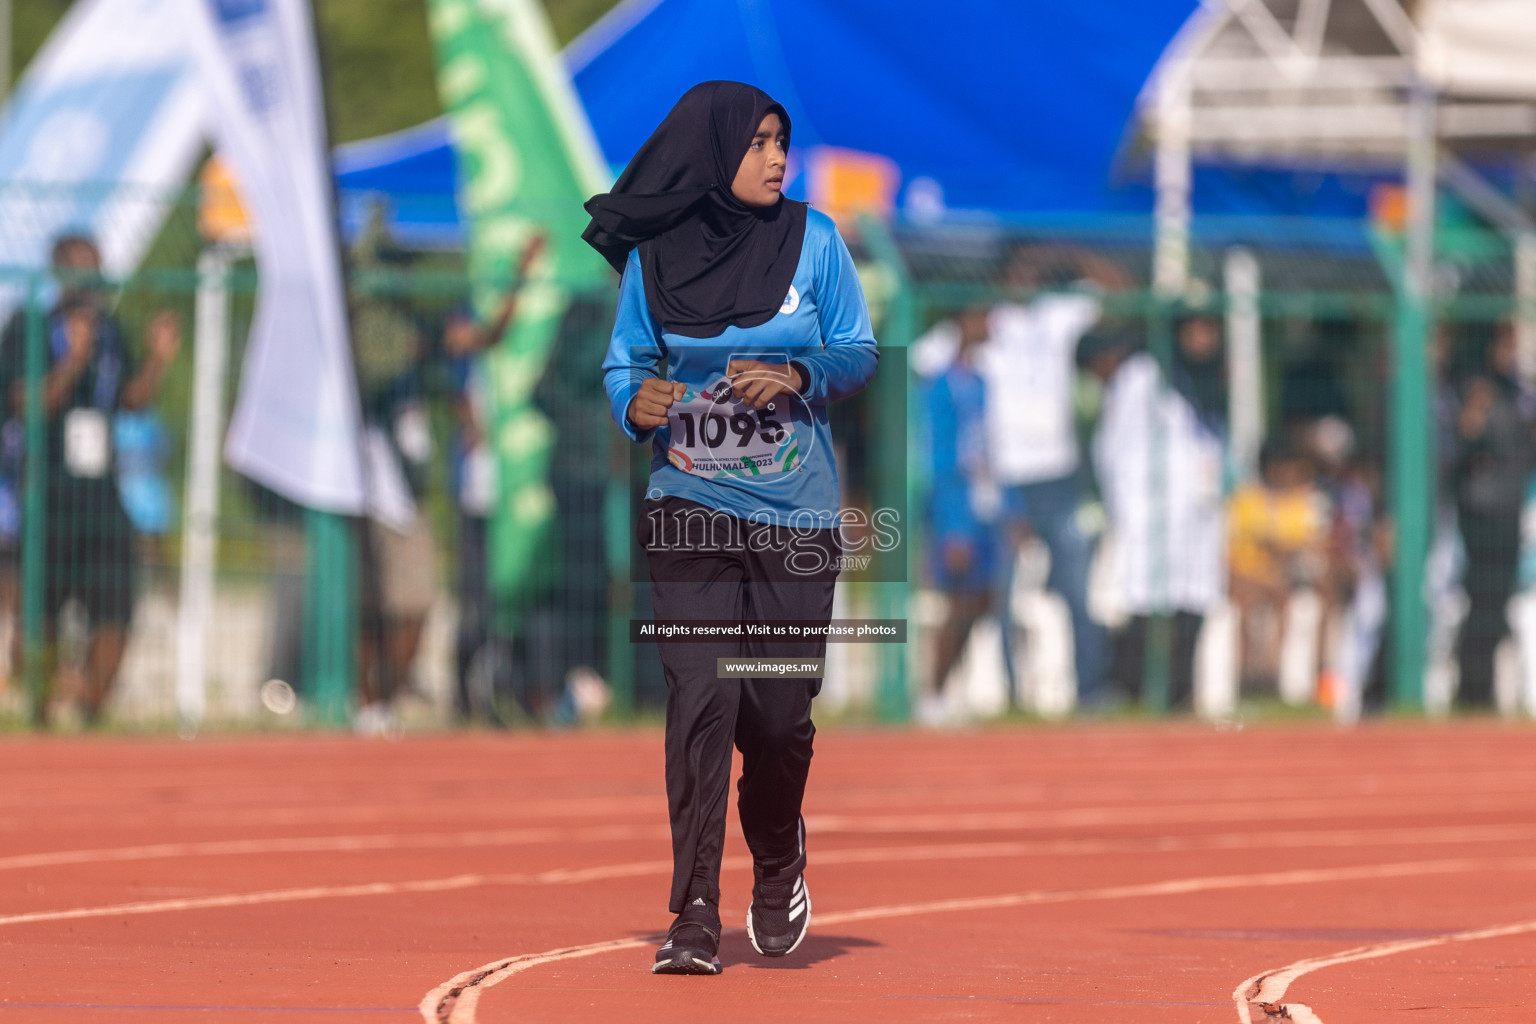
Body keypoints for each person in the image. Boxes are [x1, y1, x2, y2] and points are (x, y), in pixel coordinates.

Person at [585, 81, 878, 974]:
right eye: (757, 144)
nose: (777, 158)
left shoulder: (816, 242)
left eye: (781, 141)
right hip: (689, 507)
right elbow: (624, 361)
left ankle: (780, 851)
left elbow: (858, 351)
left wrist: (796, 371)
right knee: (704, 696)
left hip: (795, 515)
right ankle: (696, 910)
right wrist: (636, 399)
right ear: (714, 153)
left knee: (780, 715)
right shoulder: (655, 262)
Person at [0, 233, 179, 725]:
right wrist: (71, 360)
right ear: (61, 274)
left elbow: (129, 402)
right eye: (83, 273)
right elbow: (28, 405)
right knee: (40, 616)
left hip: (102, 495)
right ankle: (40, 713)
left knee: (118, 605)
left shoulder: (111, 332)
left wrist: (158, 360)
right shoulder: (29, 328)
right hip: (46, 494)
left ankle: (91, 711)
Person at [979, 249, 1125, 708]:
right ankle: (1011, 696)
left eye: (1034, 271)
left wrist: (1070, 256)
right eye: (1018, 270)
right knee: (1003, 593)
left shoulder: (1057, 313)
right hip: (1006, 480)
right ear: (1000, 278)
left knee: (1077, 588)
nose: (1026, 279)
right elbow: (926, 363)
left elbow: (1121, 292)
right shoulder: (984, 324)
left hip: (1059, 477)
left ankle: (1090, 689)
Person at [1086, 311, 1226, 711]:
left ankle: (1181, 690)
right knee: (1142, 596)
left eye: (1210, 330)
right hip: (1149, 509)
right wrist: (1128, 505)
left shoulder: (1210, 380)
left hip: (1198, 510)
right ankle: (1130, 686)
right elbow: (1113, 448)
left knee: (1194, 594)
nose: (1204, 339)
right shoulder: (1142, 376)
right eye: (1195, 330)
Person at [1452, 320, 1534, 709]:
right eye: (1506, 344)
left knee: (1498, 598)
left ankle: (1483, 689)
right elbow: (1464, 442)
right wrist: (1473, 415)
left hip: (1509, 505)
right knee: (1480, 596)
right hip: (1481, 509)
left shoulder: (1518, 391)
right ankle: (1472, 687)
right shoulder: (1477, 386)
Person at [921, 306, 997, 726]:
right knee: (959, 600)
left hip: (983, 503)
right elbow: (937, 456)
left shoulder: (985, 382)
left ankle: (949, 689)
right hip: (956, 505)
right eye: (985, 317)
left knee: (982, 598)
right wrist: (952, 525)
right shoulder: (940, 385)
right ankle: (933, 693)